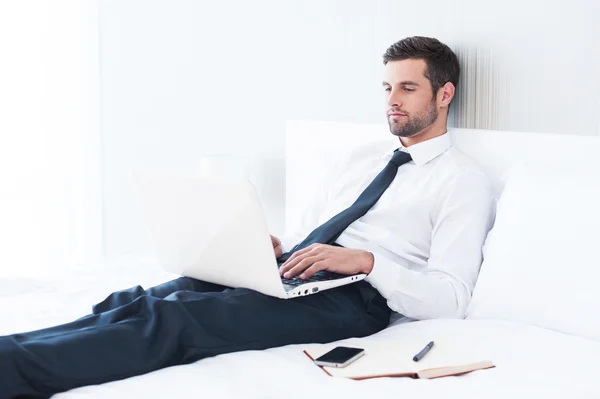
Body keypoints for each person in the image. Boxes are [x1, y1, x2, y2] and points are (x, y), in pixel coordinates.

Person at [0, 36, 495, 399]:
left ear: (444, 94)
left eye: (407, 88)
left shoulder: (462, 182)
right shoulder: (360, 158)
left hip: (355, 299)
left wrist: (365, 262)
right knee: (143, 299)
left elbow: (451, 299)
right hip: (295, 271)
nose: (391, 100)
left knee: (177, 319)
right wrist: (271, 247)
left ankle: (13, 372)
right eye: (387, 86)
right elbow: (313, 229)